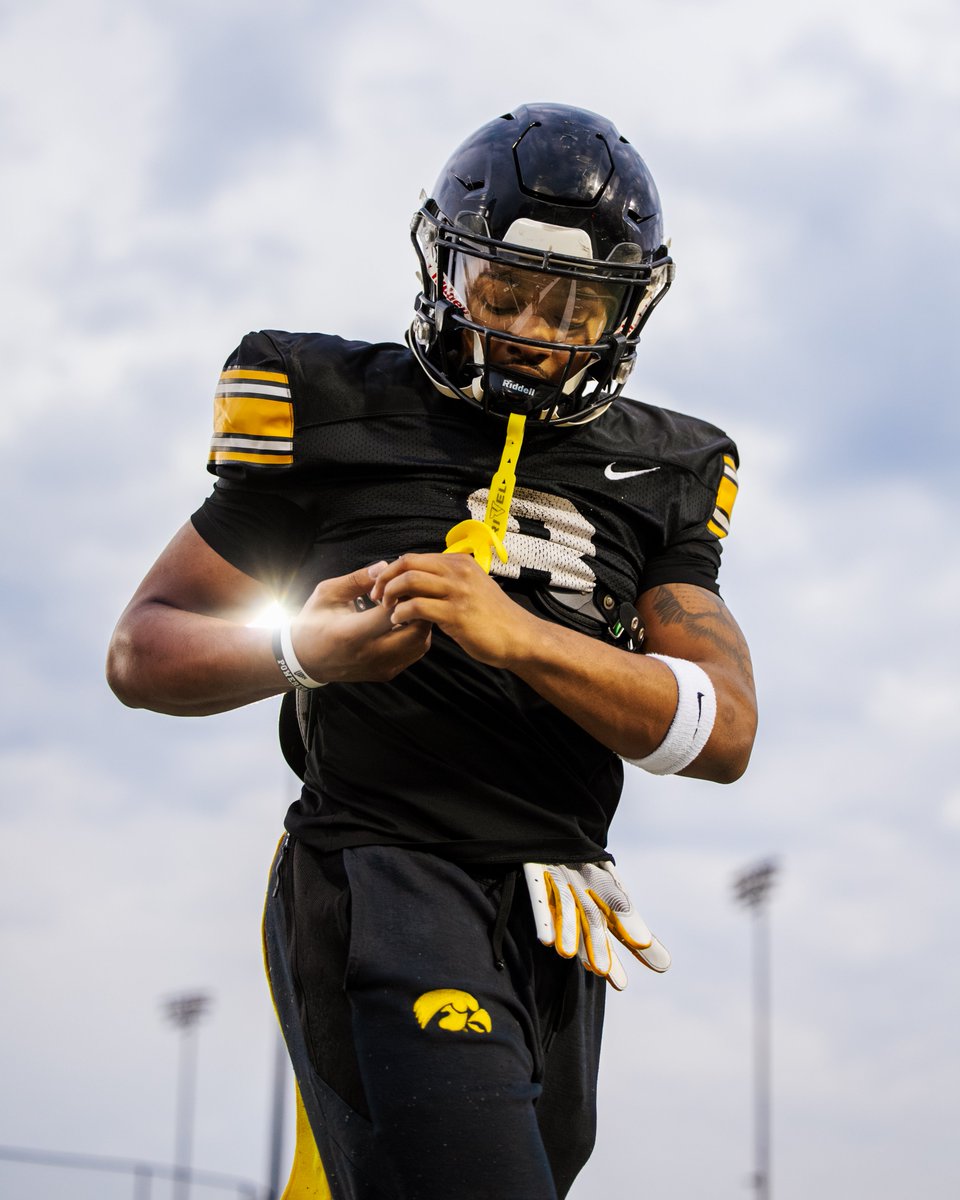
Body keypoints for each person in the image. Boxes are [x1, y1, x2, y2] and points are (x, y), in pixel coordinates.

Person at [107, 102, 757, 1200]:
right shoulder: (332, 407)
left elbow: (721, 730)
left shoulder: (668, 467)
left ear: (628, 308)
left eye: (577, 303)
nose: (539, 331)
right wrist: (303, 650)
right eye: (507, 291)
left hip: (559, 903)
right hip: (380, 866)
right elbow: (144, 649)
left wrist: (523, 639)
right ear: (447, 269)